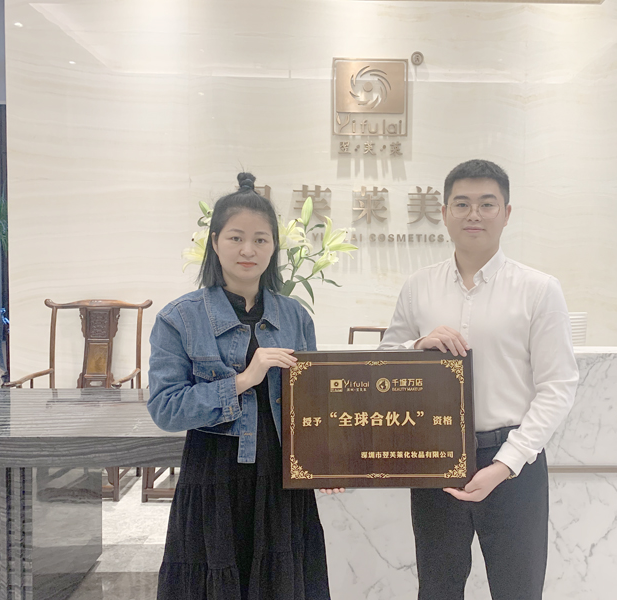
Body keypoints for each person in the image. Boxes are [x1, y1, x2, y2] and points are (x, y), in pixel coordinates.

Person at [379, 159, 579, 600]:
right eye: (462, 204)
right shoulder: (418, 286)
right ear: (444, 212)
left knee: (518, 589)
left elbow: (558, 385)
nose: (474, 214)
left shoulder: (539, 289)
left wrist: (507, 463)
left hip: (513, 462)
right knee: (437, 588)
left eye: (487, 204)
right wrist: (418, 346)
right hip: (434, 457)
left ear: (506, 213)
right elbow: (385, 365)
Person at [148, 173, 333, 600]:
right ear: (215, 242)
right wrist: (243, 380)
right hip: (214, 476)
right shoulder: (180, 317)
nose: (248, 250)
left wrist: (325, 460)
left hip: (282, 480)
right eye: (236, 238)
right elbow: (165, 409)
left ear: (274, 247)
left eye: (260, 240)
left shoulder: (294, 316)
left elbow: (312, 404)